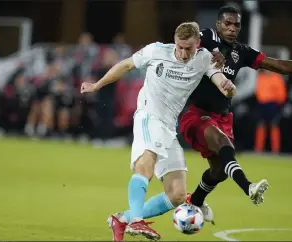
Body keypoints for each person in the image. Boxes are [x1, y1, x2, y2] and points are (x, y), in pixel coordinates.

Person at [81, 22, 235, 241]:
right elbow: (126, 65)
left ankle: (122, 219)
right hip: (148, 115)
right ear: (174, 41)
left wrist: (228, 87)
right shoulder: (157, 51)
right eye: (179, 47)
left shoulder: (204, 58)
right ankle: (136, 221)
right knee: (146, 164)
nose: (182, 53)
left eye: (188, 48)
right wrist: (97, 85)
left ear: (197, 44)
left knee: (178, 195)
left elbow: (221, 81)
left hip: (168, 128)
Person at [178, 5, 292, 224]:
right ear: (218, 24)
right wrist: (211, 53)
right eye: (227, 23)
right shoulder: (206, 36)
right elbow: (187, 44)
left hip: (222, 117)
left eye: (236, 25)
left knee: (220, 171)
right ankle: (248, 187)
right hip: (197, 113)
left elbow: (277, 65)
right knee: (224, 145)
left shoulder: (241, 52)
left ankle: (196, 201)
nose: (232, 28)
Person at [255, 70, 287, 153]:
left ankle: (275, 150)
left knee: (274, 125)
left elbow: (281, 93)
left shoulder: (276, 77)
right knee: (261, 125)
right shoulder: (260, 77)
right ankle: (258, 149)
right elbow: (258, 91)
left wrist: (278, 105)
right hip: (262, 103)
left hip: (273, 104)